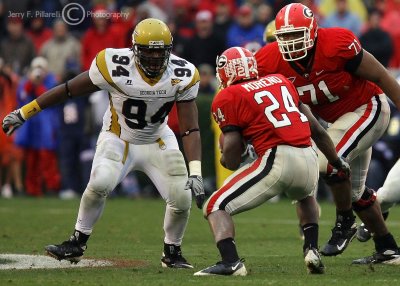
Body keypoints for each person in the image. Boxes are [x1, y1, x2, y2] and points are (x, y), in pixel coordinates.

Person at [2, 18, 205, 269]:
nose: (154, 58)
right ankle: (77, 242)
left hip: (157, 138)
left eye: (159, 52)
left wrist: (195, 171)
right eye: (148, 51)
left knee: (182, 197)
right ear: (134, 50)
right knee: (100, 182)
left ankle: (172, 252)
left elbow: (190, 127)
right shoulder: (113, 65)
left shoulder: (183, 73)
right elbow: (68, 89)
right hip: (118, 136)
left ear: (169, 51)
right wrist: (25, 112)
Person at [255, 3, 400, 264]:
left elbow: (381, 76)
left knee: (328, 165)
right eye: (284, 36)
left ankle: (344, 223)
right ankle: (388, 249)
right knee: (354, 192)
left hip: (369, 108)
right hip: (343, 122)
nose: (289, 42)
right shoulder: (268, 60)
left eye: (295, 34)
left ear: (312, 32)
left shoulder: (336, 43)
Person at [194, 47, 350, 276]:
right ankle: (311, 249)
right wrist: (337, 162)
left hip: (277, 159)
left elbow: (232, 157)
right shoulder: (280, 81)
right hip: (309, 156)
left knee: (215, 205)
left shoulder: (228, 95)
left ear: (226, 72)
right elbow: (316, 129)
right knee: (304, 196)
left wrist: (229, 156)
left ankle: (231, 262)